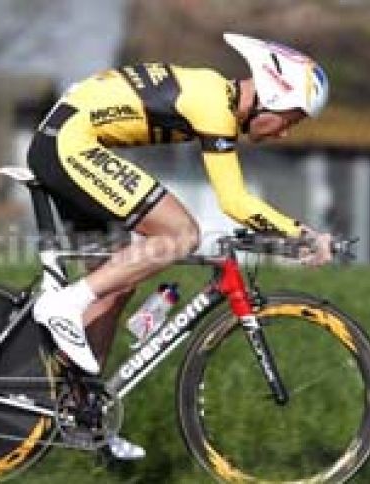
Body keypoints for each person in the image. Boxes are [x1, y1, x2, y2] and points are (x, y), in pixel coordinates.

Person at [26, 32, 333, 459]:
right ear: (271, 98)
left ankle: (82, 416)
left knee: (116, 284)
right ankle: (64, 304)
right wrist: (300, 233)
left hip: (64, 141)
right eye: (291, 120)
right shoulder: (213, 103)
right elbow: (235, 202)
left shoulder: (212, 93)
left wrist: (285, 235)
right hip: (70, 146)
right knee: (180, 234)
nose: (283, 134)